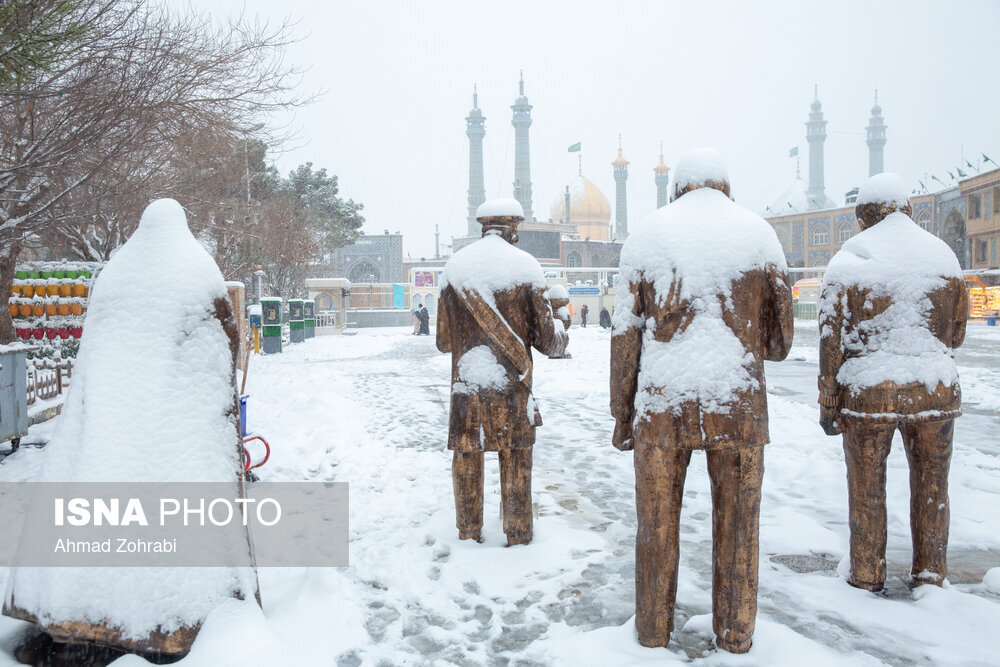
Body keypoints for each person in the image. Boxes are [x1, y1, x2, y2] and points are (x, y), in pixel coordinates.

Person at [610, 148, 792, 653]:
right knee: (738, 526)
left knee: (657, 526)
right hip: (737, 404)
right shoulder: (759, 236)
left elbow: (625, 339)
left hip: (661, 405)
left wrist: (622, 413)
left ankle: (651, 631)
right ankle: (736, 633)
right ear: (726, 189)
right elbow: (779, 344)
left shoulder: (646, 238)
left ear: (677, 189)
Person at [818, 172, 967, 592]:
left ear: (864, 216)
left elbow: (832, 341)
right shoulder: (943, 259)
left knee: (867, 489)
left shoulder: (849, 261)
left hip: (869, 393)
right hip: (935, 388)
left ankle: (867, 572)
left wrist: (829, 399)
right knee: (933, 487)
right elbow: (955, 335)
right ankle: (930, 574)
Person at [437, 198, 567, 546]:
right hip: (512, 389)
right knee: (516, 461)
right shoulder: (527, 270)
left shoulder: (455, 270)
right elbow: (546, 341)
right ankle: (518, 532)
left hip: (467, 386)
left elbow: (443, 341)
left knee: (467, 459)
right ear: (513, 229)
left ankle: (467, 532)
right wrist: (562, 329)